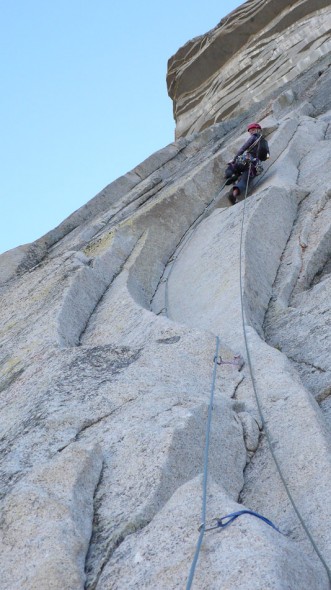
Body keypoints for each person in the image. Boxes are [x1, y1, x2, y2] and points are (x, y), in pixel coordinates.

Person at [225, 123, 264, 205]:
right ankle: (234, 195)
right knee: (244, 182)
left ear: (257, 130)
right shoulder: (264, 143)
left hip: (246, 159)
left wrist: (234, 159)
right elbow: (266, 156)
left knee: (233, 165)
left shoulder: (253, 138)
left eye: (252, 130)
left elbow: (243, 148)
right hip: (255, 165)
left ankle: (230, 175)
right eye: (250, 131)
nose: (251, 132)